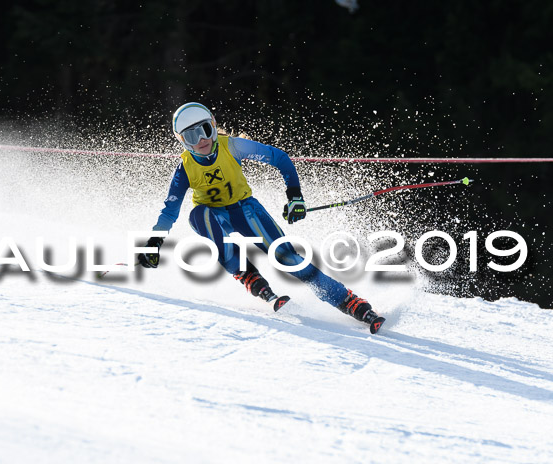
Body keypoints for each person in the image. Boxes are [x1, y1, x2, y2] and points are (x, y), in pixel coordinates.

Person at [138, 102, 385, 333]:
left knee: (287, 258)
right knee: (198, 215)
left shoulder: (232, 146)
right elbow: (170, 210)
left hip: (245, 209)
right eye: (191, 136)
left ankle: (350, 301)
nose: (201, 140)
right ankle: (250, 277)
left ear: (213, 125)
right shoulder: (185, 168)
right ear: (182, 141)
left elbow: (280, 159)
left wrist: (295, 197)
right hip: (214, 215)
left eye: (204, 130)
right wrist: (155, 241)